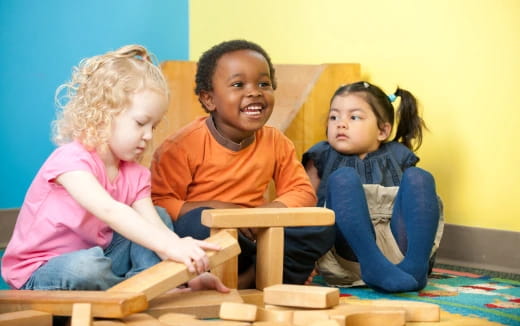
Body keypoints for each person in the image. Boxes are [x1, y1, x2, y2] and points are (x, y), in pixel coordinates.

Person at [1, 45, 228, 293]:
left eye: (153, 126)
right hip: (43, 271)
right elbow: (109, 210)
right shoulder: (70, 161)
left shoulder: (135, 173)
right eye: (141, 123)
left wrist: (185, 265)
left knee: (159, 216)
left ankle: (156, 283)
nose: (148, 136)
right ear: (103, 115)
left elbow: (156, 227)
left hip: (102, 260)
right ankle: (144, 290)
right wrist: (170, 246)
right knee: (86, 267)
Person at [151, 39, 335, 288]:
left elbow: (302, 192)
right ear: (209, 100)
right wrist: (218, 209)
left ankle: (256, 275)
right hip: (214, 237)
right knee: (193, 222)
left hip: (258, 235)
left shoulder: (275, 141)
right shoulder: (180, 146)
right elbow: (160, 204)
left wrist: (262, 216)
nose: (255, 92)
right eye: (238, 84)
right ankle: (265, 275)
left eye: (264, 84)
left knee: (322, 226)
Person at [303, 81, 444, 293]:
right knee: (343, 178)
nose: (341, 124)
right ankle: (374, 266)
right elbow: (304, 207)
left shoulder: (399, 155)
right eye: (334, 117)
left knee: (420, 177)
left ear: (382, 131)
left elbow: (416, 209)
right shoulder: (321, 155)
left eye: (354, 117)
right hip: (350, 254)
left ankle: (416, 267)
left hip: (400, 251)